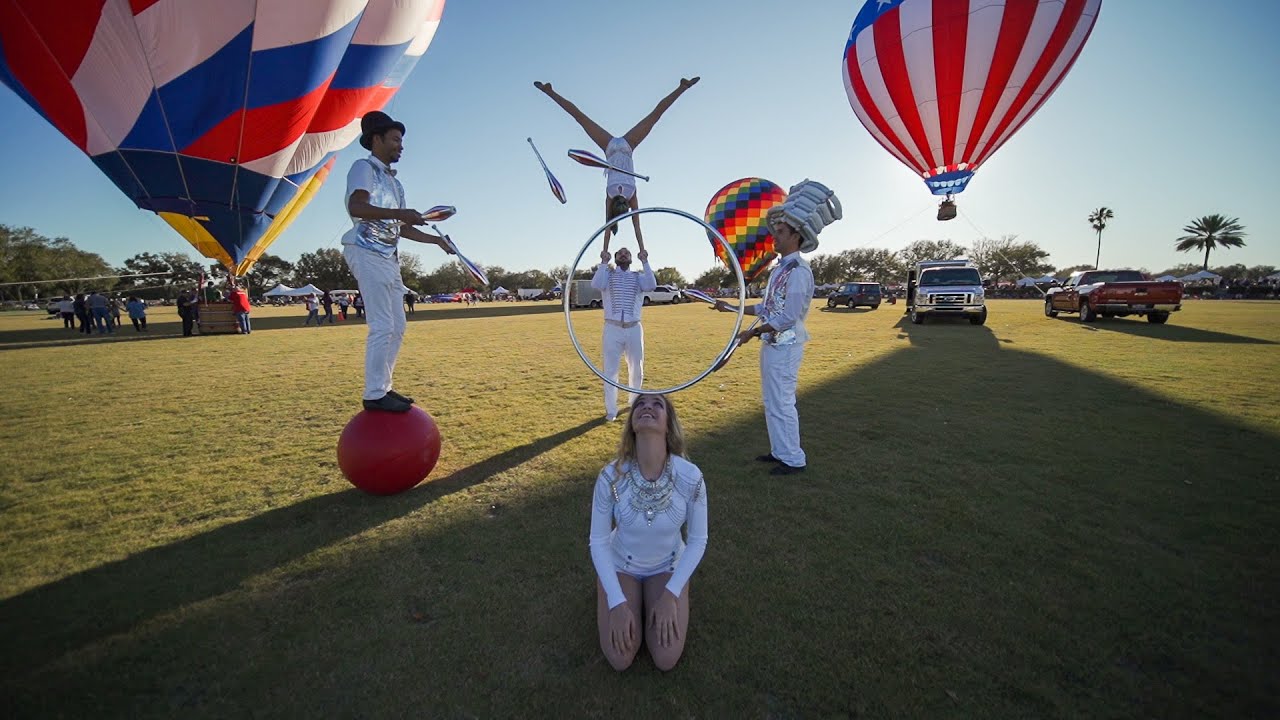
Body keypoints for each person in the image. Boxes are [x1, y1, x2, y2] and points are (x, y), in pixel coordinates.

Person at [714, 181, 842, 476]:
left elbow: (788, 317)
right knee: (772, 401)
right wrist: (731, 308)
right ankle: (780, 451)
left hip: (785, 346)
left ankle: (794, 459)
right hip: (772, 345)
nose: (775, 237)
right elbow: (765, 308)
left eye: (781, 233)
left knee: (783, 402)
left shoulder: (799, 271)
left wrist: (752, 332)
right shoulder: (781, 269)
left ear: (797, 236)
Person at [341, 110, 455, 413]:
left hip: (387, 257)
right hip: (365, 250)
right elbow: (357, 206)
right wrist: (398, 214)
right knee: (382, 325)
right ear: (375, 139)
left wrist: (436, 241)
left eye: (401, 141)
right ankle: (374, 393)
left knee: (398, 325)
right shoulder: (362, 168)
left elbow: (402, 227)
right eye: (394, 139)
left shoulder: (396, 185)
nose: (400, 146)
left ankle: (384, 388)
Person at [590, 393, 707, 672]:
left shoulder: (691, 476)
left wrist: (671, 594)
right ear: (632, 423)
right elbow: (598, 540)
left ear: (669, 424)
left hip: (666, 566)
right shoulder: (610, 476)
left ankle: (659, 596)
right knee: (620, 659)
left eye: (658, 404)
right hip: (622, 566)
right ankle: (616, 595)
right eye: (640, 404)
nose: (647, 407)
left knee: (666, 658)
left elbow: (698, 540)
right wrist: (616, 603)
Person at [534, 77, 699, 253]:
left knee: (583, 118)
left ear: (623, 208)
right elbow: (623, 226)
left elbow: (615, 226)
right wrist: (640, 250)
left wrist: (608, 252)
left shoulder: (622, 195)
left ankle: (549, 91)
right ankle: (682, 87)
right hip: (623, 147)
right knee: (652, 116)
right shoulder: (620, 195)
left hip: (613, 148)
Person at [592, 246, 657, 421]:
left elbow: (652, 285)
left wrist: (645, 261)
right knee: (610, 371)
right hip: (612, 328)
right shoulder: (607, 276)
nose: (623, 255)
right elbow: (596, 284)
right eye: (620, 253)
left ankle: (634, 402)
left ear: (631, 258)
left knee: (636, 368)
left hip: (634, 327)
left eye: (626, 253)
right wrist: (603, 262)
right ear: (615, 258)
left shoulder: (638, 277)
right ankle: (611, 410)